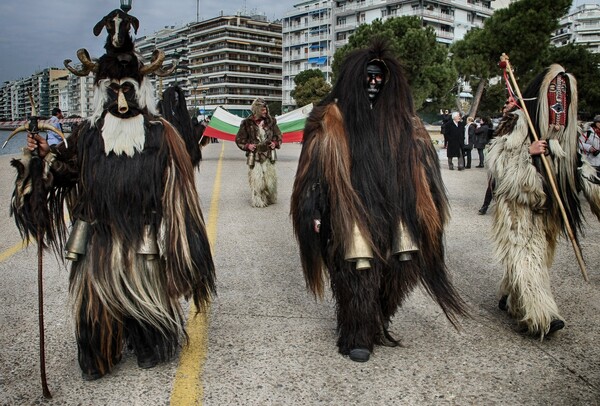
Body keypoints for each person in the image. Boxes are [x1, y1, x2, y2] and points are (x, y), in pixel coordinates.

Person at [10, 8, 216, 380]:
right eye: (114, 90)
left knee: (147, 304)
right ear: (103, 90)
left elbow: (180, 193)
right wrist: (43, 159)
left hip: (142, 235)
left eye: (128, 89)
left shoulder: (160, 134)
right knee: (96, 307)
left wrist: (189, 253)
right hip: (99, 239)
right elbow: (67, 171)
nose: (121, 100)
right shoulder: (88, 135)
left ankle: (146, 339)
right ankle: (100, 351)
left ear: (140, 89)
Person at [290, 40, 466, 363]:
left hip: (398, 211)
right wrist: (313, 209)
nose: (373, 83)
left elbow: (425, 170)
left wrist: (431, 208)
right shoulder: (330, 121)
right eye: (368, 77)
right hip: (351, 211)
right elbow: (313, 171)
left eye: (379, 78)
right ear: (355, 79)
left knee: (405, 265)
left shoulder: (405, 122)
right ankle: (356, 331)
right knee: (358, 268)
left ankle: (378, 318)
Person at [487, 64, 600, 338]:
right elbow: (497, 160)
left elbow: (577, 166)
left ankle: (511, 295)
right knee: (528, 260)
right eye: (554, 96)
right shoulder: (518, 122)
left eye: (564, 98)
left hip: (549, 211)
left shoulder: (567, 134)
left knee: (537, 259)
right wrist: (528, 151)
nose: (559, 105)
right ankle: (541, 316)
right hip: (518, 207)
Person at [235, 98, 282, 208]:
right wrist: (248, 146)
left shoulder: (271, 121)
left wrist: (275, 143)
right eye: (262, 110)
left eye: (266, 109)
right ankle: (258, 200)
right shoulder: (247, 123)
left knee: (270, 181)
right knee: (257, 180)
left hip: (269, 155)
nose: (265, 112)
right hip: (255, 156)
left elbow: (278, 135)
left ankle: (269, 197)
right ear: (256, 110)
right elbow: (239, 139)